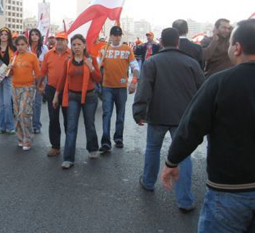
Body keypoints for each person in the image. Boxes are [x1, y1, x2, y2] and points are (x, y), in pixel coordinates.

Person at [162, 19, 255, 231]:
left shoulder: (219, 82)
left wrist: (171, 161)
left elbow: (191, 128)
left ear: (237, 48)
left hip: (230, 189)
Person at [133, 28, 205, 213]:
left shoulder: (152, 62)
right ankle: (185, 200)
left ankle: (148, 182)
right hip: (183, 116)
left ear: (162, 42)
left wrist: (139, 111)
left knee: (152, 148)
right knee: (183, 155)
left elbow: (144, 89)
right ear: (178, 42)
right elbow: (202, 90)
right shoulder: (191, 63)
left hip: (157, 115)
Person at [54, 34, 102, 169]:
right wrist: (56, 95)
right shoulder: (68, 61)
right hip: (73, 97)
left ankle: (93, 148)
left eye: (79, 44)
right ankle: (68, 158)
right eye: (74, 44)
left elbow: (98, 78)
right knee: (71, 127)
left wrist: (91, 67)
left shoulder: (91, 59)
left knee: (89, 125)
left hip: (90, 97)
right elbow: (62, 79)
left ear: (84, 45)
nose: (76, 47)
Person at [99, 26, 139, 151]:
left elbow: (135, 67)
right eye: (115, 35)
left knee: (120, 115)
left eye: (119, 35)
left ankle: (118, 138)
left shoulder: (127, 49)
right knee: (107, 114)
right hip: (107, 87)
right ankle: (105, 141)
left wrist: (133, 82)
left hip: (121, 88)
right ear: (110, 36)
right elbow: (96, 66)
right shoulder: (104, 49)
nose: (117, 37)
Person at [39, 31, 70, 156]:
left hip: (68, 90)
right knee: (53, 118)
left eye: (63, 40)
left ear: (67, 42)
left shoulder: (72, 54)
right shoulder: (48, 55)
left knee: (69, 119)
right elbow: (43, 72)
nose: (60, 42)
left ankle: (69, 145)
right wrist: (40, 85)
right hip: (51, 89)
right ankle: (55, 146)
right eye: (58, 39)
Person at [9, 35, 41, 150]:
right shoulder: (13, 57)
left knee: (24, 113)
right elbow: (10, 74)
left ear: (27, 45)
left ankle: (28, 139)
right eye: (18, 45)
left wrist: (39, 87)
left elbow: (38, 73)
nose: (20, 47)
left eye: (23, 44)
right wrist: (9, 69)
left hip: (28, 87)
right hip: (15, 87)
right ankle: (20, 138)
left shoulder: (32, 56)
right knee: (17, 114)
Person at [0, 27, 16, 134]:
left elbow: (17, 63)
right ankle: (2, 126)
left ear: (9, 36)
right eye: (2, 34)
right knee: (0, 104)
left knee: (7, 103)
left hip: (8, 77)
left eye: (6, 34)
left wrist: (12, 65)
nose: (4, 36)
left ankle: (10, 126)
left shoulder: (13, 48)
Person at [28, 28, 48, 134]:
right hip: (28, 77)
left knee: (37, 102)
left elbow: (47, 62)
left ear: (39, 36)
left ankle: (36, 125)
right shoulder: (26, 48)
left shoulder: (44, 48)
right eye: (32, 34)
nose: (34, 36)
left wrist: (39, 63)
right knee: (28, 102)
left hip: (40, 77)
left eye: (36, 34)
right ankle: (28, 124)